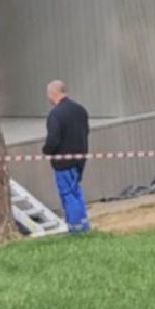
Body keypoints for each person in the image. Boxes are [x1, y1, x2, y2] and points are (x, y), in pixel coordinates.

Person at [43, 80, 92, 233]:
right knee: (76, 192)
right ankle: (83, 224)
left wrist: (46, 151)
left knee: (68, 194)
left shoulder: (55, 114)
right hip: (80, 159)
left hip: (63, 162)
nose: (48, 98)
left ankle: (76, 228)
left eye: (48, 94)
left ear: (53, 93)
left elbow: (53, 139)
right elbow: (86, 131)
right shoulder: (80, 110)